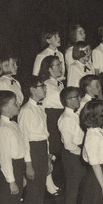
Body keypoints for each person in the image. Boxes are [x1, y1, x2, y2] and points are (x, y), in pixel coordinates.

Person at [18, 76, 53, 204]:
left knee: (39, 193)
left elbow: (45, 136)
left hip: (41, 151)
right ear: (32, 89)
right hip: (31, 151)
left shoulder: (40, 108)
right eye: (41, 86)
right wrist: (28, 165)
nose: (45, 89)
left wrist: (47, 158)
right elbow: (24, 139)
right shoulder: (25, 111)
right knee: (32, 194)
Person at [58, 87, 87, 204]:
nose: (79, 100)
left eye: (78, 97)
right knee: (73, 188)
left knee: (82, 186)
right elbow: (69, 145)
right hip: (73, 154)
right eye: (75, 97)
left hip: (79, 152)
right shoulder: (66, 119)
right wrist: (83, 154)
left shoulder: (75, 115)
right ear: (67, 101)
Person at [39, 56, 64, 196]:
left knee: (56, 150)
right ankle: (48, 182)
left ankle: (51, 180)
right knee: (51, 149)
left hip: (60, 115)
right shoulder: (46, 84)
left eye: (60, 64)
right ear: (49, 68)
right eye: (57, 65)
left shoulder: (59, 83)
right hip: (51, 116)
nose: (60, 67)